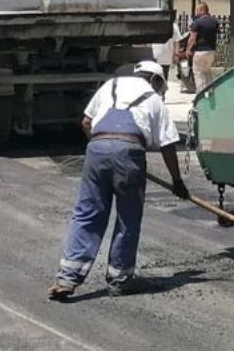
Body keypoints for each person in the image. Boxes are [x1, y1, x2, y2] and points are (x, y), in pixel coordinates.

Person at [49, 60, 188, 299]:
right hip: (129, 153)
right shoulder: (153, 99)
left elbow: (86, 122)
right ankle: (119, 279)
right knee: (127, 218)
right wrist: (177, 182)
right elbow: (167, 145)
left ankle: (67, 278)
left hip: (97, 149)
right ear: (155, 80)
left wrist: (104, 147)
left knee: (87, 212)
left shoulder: (110, 86)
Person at [184, 2, 220, 93]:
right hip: (211, 51)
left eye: (198, 10)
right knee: (207, 72)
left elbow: (192, 38)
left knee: (198, 73)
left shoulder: (197, 22)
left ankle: (200, 94)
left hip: (199, 51)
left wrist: (188, 50)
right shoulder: (215, 21)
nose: (197, 12)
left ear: (202, 10)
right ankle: (210, 91)